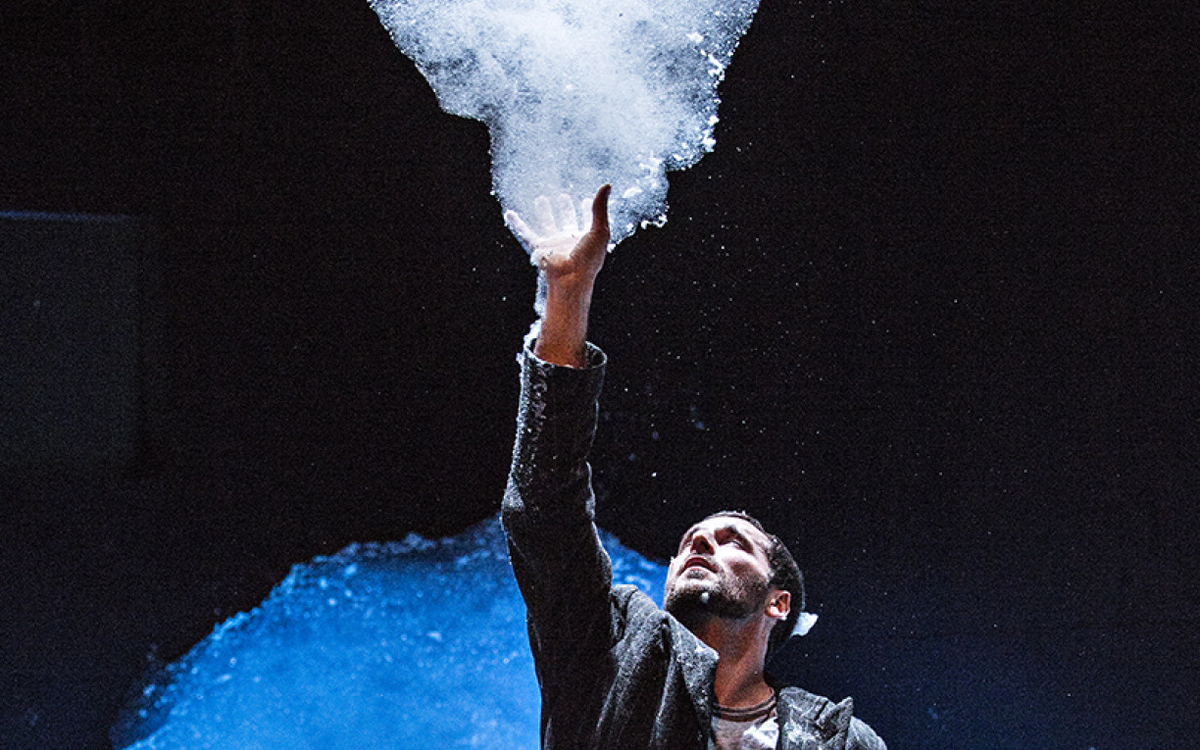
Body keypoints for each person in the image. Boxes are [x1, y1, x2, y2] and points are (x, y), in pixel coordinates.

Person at [502, 185, 886, 750]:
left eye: (734, 542)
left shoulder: (839, 740)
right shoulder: (601, 650)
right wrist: (568, 295)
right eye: (689, 541)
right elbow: (545, 507)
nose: (699, 546)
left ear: (779, 602)